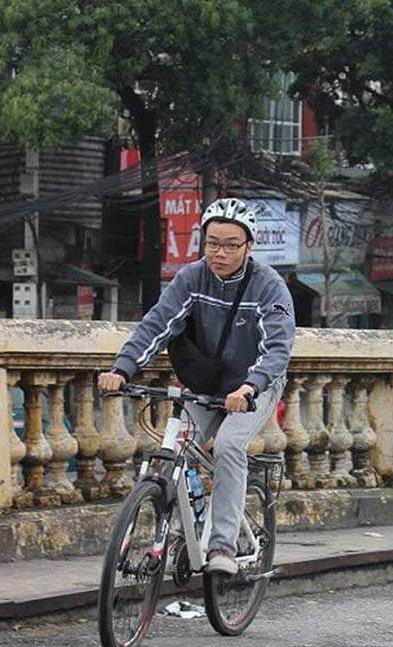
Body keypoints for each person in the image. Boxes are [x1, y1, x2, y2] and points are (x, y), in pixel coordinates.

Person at [98, 198, 295, 575]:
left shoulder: (269, 287)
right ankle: (187, 527)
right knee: (175, 449)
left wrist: (250, 387)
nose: (219, 252)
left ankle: (222, 543)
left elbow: (277, 349)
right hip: (206, 383)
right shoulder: (191, 278)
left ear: (249, 246)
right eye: (212, 243)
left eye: (231, 244)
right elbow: (157, 325)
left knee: (228, 445)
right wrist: (122, 369)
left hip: (255, 386)